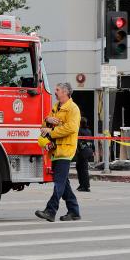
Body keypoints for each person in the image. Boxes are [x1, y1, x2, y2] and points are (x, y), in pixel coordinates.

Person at [35, 82, 82, 222]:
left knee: (59, 183)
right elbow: (44, 128)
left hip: (65, 150)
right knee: (64, 184)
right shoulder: (56, 108)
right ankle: (74, 211)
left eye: (57, 90)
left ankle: (50, 210)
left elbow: (71, 128)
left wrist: (52, 131)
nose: (55, 92)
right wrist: (47, 120)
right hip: (55, 151)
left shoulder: (73, 109)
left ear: (65, 92)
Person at [75, 117, 94, 192]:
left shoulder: (79, 131)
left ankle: (85, 186)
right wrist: (93, 150)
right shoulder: (89, 131)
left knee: (83, 169)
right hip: (89, 150)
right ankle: (82, 185)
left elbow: (78, 142)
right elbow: (92, 141)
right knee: (80, 167)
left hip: (83, 151)